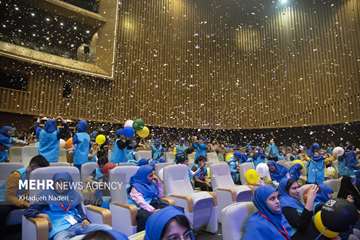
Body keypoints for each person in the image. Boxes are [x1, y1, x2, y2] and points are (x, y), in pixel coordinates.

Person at [24, 172, 112, 240]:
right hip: (59, 229)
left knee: (107, 229)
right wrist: (41, 215)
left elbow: (80, 211)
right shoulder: (46, 195)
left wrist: (85, 219)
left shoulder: (74, 195)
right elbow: (28, 211)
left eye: (64, 183)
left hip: (78, 225)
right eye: (58, 182)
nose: (61, 185)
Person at [0, 155, 49, 236]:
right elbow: (10, 198)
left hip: (21, 200)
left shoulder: (35, 176)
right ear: (32, 167)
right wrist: (26, 204)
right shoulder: (16, 175)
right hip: (5, 202)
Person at [128, 165, 167, 232]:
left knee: (167, 208)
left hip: (151, 204)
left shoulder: (151, 184)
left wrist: (158, 183)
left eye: (153, 175)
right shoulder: (135, 188)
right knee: (147, 217)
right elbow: (141, 203)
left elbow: (160, 196)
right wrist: (153, 210)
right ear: (143, 176)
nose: (153, 177)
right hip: (140, 208)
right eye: (150, 176)